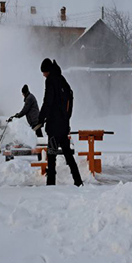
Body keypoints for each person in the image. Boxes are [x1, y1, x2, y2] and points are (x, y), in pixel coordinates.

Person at [36, 58, 83, 187]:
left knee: (51, 156)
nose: (43, 75)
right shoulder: (62, 80)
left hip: (54, 127)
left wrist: (40, 119)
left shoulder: (51, 81)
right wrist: (66, 118)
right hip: (63, 125)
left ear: (47, 71)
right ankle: (78, 182)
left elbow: (48, 102)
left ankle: (50, 185)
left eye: (44, 72)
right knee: (68, 155)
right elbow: (70, 101)